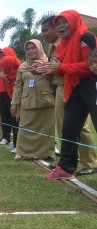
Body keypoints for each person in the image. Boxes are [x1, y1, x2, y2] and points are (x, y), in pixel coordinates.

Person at [40, 11, 97, 180]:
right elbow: (63, 66)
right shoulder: (64, 44)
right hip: (75, 88)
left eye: (65, 22)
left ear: (73, 22)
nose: (61, 26)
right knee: (69, 128)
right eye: (58, 23)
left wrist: (61, 68)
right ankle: (65, 168)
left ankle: (88, 163)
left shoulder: (85, 37)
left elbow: (91, 66)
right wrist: (46, 68)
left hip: (91, 86)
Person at [10, 39, 55, 161]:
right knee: (24, 127)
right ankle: (21, 152)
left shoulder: (48, 63)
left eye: (33, 48)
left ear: (39, 48)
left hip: (46, 101)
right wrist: (15, 103)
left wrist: (44, 70)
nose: (30, 51)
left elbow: (56, 79)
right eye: (28, 49)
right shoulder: (22, 67)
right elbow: (17, 86)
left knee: (47, 129)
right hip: (27, 102)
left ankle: (49, 152)